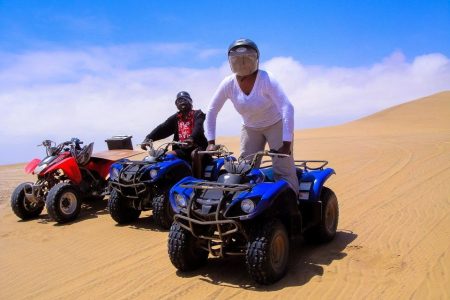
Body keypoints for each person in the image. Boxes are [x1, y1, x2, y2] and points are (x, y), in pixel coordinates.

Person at [205, 38, 299, 193]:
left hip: (275, 125)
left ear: (256, 59)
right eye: (237, 59)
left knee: (283, 169)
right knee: (244, 169)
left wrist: (286, 145)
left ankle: (292, 207)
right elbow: (212, 110)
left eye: (247, 58)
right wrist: (211, 141)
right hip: (250, 128)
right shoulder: (228, 84)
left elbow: (287, 107)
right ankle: (247, 207)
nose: (243, 63)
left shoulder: (266, 79)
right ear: (231, 61)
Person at [141, 91, 208, 163]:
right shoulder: (176, 117)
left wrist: (191, 138)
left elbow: (198, 128)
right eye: (179, 101)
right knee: (163, 157)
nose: (182, 102)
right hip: (182, 150)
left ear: (190, 102)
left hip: (198, 147)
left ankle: (196, 174)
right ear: (176, 105)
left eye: (184, 99)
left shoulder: (198, 114)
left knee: (194, 155)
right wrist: (148, 138)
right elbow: (162, 128)